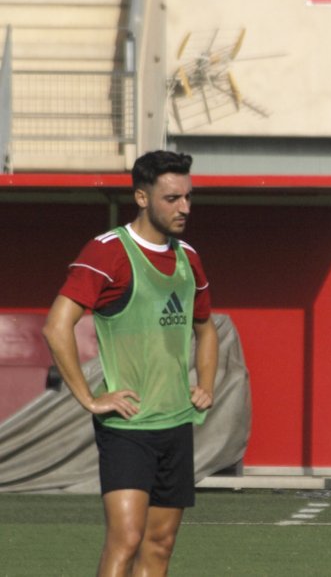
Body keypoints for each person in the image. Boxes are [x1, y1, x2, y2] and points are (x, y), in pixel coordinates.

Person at [42, 150, 218, 577]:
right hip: (128, 428)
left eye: (189, 197)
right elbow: (55, 327)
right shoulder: (107, 252)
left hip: (176, 424)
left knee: (160, 546)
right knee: (126, 540)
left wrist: (206, 384)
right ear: (141, 197)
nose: (185, 208)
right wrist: (90, 398)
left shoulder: (188, 257)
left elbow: (206, 328)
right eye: (172, 198)